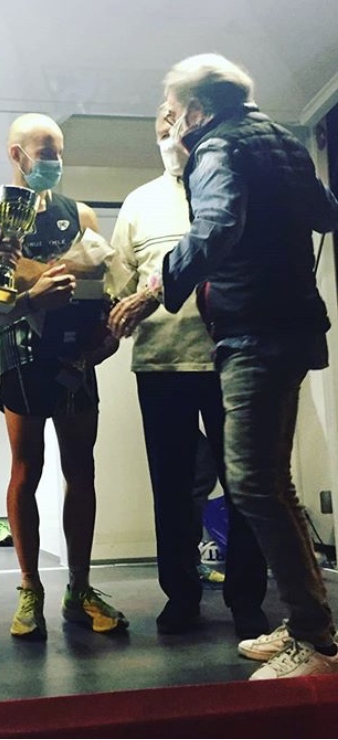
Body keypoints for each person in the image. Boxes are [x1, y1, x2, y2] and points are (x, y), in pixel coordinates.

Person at [144, 53, 338, 679]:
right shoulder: (281, 141)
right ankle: (308, 621)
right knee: (271, 483)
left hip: (255, 330)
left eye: (175, 112)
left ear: (198, 110)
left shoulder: (218, 147)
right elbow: (326, 213)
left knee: (253, 483)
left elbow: (217, 226)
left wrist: (160, 283)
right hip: (293, 328)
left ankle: (314, 641)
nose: (172, 123)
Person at [108, 105, 267, 637]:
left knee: (244, 485)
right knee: (172, 488)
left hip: (232, 358)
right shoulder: (138, 202)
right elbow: (118, 285)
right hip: (161, 361)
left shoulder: (228, 187)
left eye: (180, 122)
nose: (171, 132)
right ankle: (181, 597)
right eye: (162, 124)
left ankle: (248, 599)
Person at [0, 113, 128, 642]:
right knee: (26, 470)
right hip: (21, 357)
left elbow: (105, 288)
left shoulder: (79, 214)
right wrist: (31, 298)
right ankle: (30, 589)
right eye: (45, 153)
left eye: (59, 152)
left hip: (76, 358)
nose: (55, 162)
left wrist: (106, 334)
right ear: (16, 154)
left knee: (80, 469)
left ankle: (79, 589)